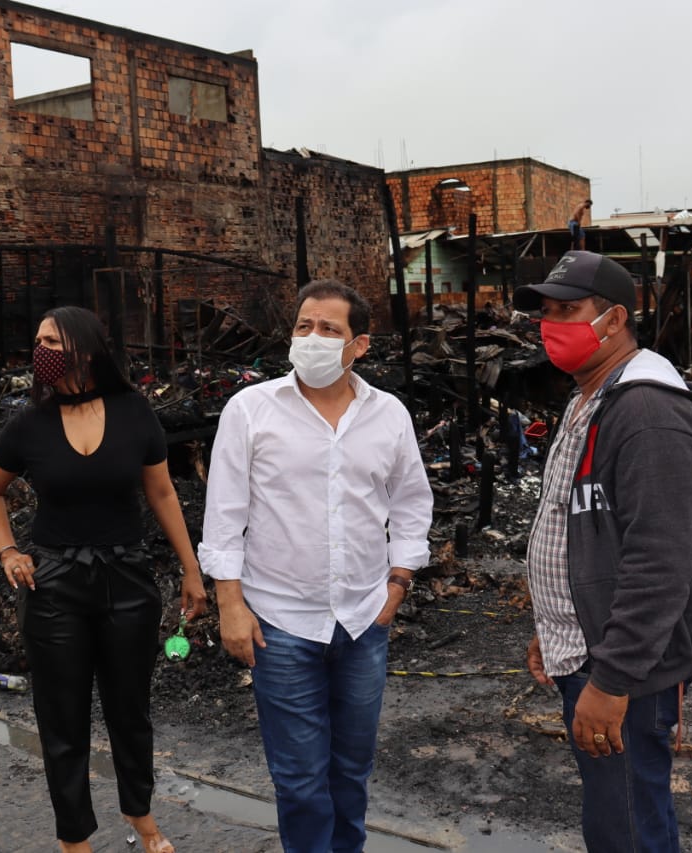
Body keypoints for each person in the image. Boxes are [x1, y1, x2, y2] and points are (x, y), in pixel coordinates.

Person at [199, 279, 433, 853]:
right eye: (305, 326)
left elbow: (411, 502)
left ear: (360, 346)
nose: (313, 337)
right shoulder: (251, 411)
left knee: (351, 774)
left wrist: (398, 583)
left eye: (330, 329)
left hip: (362, 622)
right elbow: (224, 512)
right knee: (301, 781)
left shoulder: (389, 415)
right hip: (280, 624)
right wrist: (230, 604)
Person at [513, 251, 692, 853]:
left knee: (625, 825)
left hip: (624, 667)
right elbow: (578, 524)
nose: (551, 324)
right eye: (546, 312)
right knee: (620, 812)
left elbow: (661, 560)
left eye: (568, 310)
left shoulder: (647, 410)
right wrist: (556, 623)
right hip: (590, 645)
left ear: (613, 320)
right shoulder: (591, 396)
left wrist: (612, 678)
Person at [0, 305, 206, 853]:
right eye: (37, 342)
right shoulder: (29, 424)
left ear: (84, 346)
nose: (41, 352)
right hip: (53, 584)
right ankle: (74, 839)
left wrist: (192, 570)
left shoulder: (134, 412)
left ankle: (140, 815)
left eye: (51, 340)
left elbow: (163, 493)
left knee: (131, 713)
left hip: (128, 579)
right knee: (63, 721)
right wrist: (8, 550)